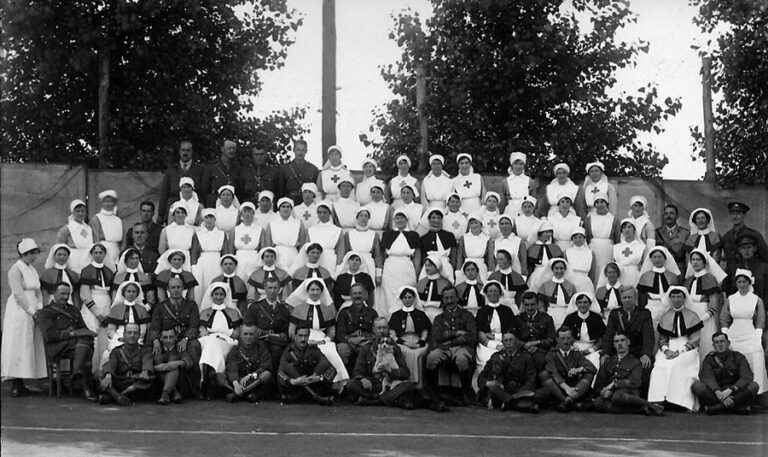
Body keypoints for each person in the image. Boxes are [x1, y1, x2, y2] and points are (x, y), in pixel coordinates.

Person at [347, 317, 437, 410]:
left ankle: (375, 400)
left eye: (384, 328)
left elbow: (405, 373)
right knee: (351, 384)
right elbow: (357, 371)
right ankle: (386, 399)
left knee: (409, 386)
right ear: (373, 330)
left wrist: (390, 370)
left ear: (388, 329)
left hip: (391, 386)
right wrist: (363, 379)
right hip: (372, 385)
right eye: (379, 328)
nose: (382, 331)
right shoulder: (366, 348)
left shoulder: (395, 349)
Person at [1, 239, 48, 396]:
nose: (34, 256)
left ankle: (24, 381)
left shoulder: (33, 270)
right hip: (19, 311)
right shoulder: (15, 270)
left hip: (34, 308)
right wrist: (31, 310)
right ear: (24, 254)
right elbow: (18, 294)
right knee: (19, 344)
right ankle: (16, 383)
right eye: (32, 254)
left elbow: (38, 291)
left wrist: (39, 309)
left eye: (35, 253)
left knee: (30, 344)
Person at [35, 282, 97, 401]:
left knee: (85, 344)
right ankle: (85, 388)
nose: (65, 297)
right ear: (54, 294)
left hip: (75, 346)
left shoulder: (73, 310)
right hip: (58, 347)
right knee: (86, 346)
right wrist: (71, 334)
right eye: (62, 293)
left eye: (68, 294)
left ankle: (77, 372)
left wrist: (88, 333)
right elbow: (49, 335)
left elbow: (82, 327)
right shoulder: (46, 312)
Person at [647, 287, 702, 411]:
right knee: (659, 366)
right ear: (670, 298)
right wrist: (666, 350)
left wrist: (680, 351)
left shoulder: (692, 316)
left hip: (687, 348)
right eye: (674, 297)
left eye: (679, 297)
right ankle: (658, 399)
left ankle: (681, 402)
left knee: (678, 366)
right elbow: (662, 338)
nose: (676, 299)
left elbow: (695, 338)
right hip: (668, 347)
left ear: (684, 298)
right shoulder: (666, 316)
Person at [286, 279, 350, 387]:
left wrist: (324, 341)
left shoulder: (327, 310)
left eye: (318, 290)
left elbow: (331, 331)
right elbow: (292, 331)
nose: (315, 292)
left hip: (322, 339)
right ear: (307, 291)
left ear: (321, 291)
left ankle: (336, 383)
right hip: (304, 338)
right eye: (312, 290)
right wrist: (301, 340)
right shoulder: (298, 309)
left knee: (331, 352)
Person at [148, 277, 202, 399]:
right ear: (168, 289)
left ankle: (195, 389)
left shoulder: (191, 305)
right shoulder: (160, 307)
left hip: (185, 340)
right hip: (166, 340)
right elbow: (155, 326)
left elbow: (194, 325)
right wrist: (156, 340)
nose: (176, 290)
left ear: (183, 289)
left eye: (179, 287)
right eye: (173, 287)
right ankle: (166, 390)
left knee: (194, 347)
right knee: (155, 353)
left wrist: (186, 339)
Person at [426, 286, 477, 404]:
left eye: (452, 297)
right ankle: (433, 393)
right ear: (443, 300)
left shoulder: (467, 316)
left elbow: (472, 337)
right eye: (446, 298)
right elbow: (436, 336)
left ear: (457, 298)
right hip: (443, 348)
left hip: (462, 347)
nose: (449, 301)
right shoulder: (439, 318)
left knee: (462, 359)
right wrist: (456, 333)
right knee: (431, 358)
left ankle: (466, 392)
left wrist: (451, 341)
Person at [593, 331, 664, 416]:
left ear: (628, 342)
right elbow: (598, 385)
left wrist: (615, 384)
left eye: (622, 340)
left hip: (628, 393)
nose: (620, 344)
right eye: (616, 341)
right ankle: (640, 409)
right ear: (614, 345)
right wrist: (602, 392)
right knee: (598, 402)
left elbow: (635, 382)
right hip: (611, 394)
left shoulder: (636, 362)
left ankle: (649, 405)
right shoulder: (608, 362)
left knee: (617, 396)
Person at [720, 269, 767, 394]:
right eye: (739, 282)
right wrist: (725, 333)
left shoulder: (756, 299)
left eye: (744, 282)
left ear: (749, 283)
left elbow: (760, 318)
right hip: (734, 332)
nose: (741, 284)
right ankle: (733, 389)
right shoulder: (731, 298)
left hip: (750, 332)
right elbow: (724, 317)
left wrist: (758, 334)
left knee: (756, 355)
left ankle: (755, 390)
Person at [603, 286, 654, 395]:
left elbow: (648, 336)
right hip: (619, 352)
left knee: (646, 366)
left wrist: (646, 354)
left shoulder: (644, 314)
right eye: (624, 297)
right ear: (620, 299)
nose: (627, 300)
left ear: (635, 298)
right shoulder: (615, 314)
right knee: (605, 363)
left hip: (638, 352)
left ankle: (640, 396)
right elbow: (608, 336)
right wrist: (606, 353)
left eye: (630, 297)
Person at [692, 332, 760, 415]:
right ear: (713, 346)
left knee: (754, 386)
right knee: (697, 386)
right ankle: (736, 408)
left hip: (735, 393)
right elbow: (707, 377)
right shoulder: (709, 359)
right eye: (716, 342)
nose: (720, 345)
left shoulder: (738, 357)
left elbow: (746, 376)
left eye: (722, 341)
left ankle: (717, 408)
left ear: (728, 343)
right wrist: (718, 393)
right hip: (716, 394)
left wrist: (731, 390)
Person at [198, 282, 243, 400]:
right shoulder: (204, 312)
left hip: (227, 341)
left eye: (221, 294)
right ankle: (210, 383)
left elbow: (237, 331)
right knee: (211, 344)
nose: (218, 297)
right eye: (216, 294)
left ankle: (207, 384)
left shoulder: (233, 312)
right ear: (211, 295)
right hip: (208, 340)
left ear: (225, 296)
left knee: (212, 346)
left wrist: (230, 333)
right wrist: (208, 333)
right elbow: (202, 328)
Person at [476, 332, 540, 413]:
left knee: (541, 393)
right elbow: (481, 377)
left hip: (521, 390)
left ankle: (509, 404)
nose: (509, 343)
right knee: (493, 389)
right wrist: (486, 383)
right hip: (503, 391)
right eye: (506, 340)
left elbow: (531, 378)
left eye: (511, 340)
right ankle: (519, 404)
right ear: (502, 343)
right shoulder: (495, 357)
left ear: (516, 342)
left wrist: (522, 392)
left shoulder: (526, 357)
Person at [538, 326, 597, 412]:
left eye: (568, 338)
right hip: (558, 390)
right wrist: (567, 389)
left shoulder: (576, 354)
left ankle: (567, 402)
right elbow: (554, 373)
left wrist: (579, 369)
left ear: (573, 339)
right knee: (543, 374)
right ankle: (569, 401)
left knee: (589, 374)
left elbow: (592, 368)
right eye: (562, 338)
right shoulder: (551, 355)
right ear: (557, 339)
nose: (566, 341)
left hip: (574, 387)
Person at [242, 277, 292, 375]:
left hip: (276, 344)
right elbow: (248, 326)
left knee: (277, 351)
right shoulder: (255, 307)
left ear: (279, 290)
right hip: (257, 342)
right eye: (270, 288)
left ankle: (273, 379)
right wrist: (265, 333)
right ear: (265, 289)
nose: (272, 291)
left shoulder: (284, 310)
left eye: (275, 288)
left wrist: (280, 336)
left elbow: (286, 332)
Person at [377, 209, 422, 318]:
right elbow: (382, 256)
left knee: (406, 292)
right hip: (390, 268)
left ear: (407, 220)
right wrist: (380, 272)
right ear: (394, 220)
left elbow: (417, 257)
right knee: (388, 295)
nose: (400, 220)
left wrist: (416, 274)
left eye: (402, 218)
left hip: (406, 267)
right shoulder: (387, 234)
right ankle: (388, 319)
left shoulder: (413, 235)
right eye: (397, 218)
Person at [78, 243, 115, 372]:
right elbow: (85, 295)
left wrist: (109, 312)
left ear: (105, 254)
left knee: (105, 340)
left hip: (107, 304)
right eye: (96, 252)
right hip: (92, 308)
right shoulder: (86, 270)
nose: (98, 255)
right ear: (92, 254)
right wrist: (98, 314)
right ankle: (90, 372)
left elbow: (112, 293)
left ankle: (103, 370)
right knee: (92, 338)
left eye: (101, 252)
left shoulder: (109, 271)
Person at [277, 325, 336, 406]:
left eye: (306, 336)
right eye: (300, 336)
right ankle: (314, 397)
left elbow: (331, 369)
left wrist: (318, 377)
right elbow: (280, 373)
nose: (303, 339)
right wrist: (293, 381)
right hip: (296, 386)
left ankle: (310, 396)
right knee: (288, 368)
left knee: (324, 364)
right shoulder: (288, 351)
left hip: (312, 383)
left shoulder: (313, 350)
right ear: (295, 337)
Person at [98, 323, 154, 406]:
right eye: (129, 332)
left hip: (135, 384)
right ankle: (119, 396)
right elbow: (111, 363)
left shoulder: (144, 350)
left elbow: (147, 361)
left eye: (135, 333)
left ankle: (115, 396)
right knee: (99, 374)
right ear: (124, 334)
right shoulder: (116, 351)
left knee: (149, 380)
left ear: (139, 335)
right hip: (120, 381)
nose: (132, 335)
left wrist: (145, 371)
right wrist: (108, 376)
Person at [684, 249, 725, 357]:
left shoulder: (710, 279)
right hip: (690, 317)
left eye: (698, 259)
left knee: (705, 344)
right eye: (693, 259)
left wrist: (702, 318)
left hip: (704, 318)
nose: (695, 262)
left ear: (704, 262)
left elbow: (714, 305)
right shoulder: (689, 280)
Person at [475, 281, 518, 379]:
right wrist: (494, 345)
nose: (493, 294)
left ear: (500, 293)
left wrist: (497, 337)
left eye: (495, 291)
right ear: (486, 293)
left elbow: (513, 330)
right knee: (486, 359)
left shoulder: (507, 310)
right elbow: (480, 332)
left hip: (506, 341)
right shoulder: (482, 311)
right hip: (487, 344)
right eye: (490, 291)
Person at [389, 287, 431, 385]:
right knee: (407, 352)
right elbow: (392, 334)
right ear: (401, 299)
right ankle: (407, 383)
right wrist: (404, 342)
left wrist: (420, 343)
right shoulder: (396, 315)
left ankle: (419, 385)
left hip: (418, 341)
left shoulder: (420, 314)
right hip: (401, 341)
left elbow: (425, 331)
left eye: (410, 297)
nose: (408, 300)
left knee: (418, 353)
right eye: (405, 297)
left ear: (414, 298)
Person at [158, 140, 208, 223]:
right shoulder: (171, 170)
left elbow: (203, 192)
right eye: (183, 150)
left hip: (193, 209)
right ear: (179, 151)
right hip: (174, 209)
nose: (185, 153)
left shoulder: (200, 170)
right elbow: (164, 193)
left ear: (191, 152)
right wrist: (161, 214)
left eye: (188, 150)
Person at [223, 323, 274, 402]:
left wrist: (250, 376)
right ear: (240, 335)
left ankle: (239, 394)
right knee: (219, 376)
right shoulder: (235, 350)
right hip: (239, 381)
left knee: (267, 375)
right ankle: (246, 394)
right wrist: (236, 384)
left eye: (251, 334)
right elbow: (231, 368)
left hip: (254, 381)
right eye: (245, 334)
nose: (248, 337)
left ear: (256, 335)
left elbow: (266, 366)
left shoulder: (261, 348)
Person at [104, 282, 151, 361]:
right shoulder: (116, 308)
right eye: (128, 291)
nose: (131, 294)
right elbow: (111, 329)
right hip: (119, 336)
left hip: (136, 336)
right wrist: (117, 337)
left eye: (133, 291)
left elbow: (143, 329)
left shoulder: (142, 309)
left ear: (137, 293)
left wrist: (135, 337)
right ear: (123, 293)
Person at [152, 326, 199, 404]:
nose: (168, 340)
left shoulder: (180, 347)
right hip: (159, 386)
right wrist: (160, 368)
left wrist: (176, 363)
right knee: (159, 359)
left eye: (171, 337)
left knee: (174, 363)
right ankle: (172, 392)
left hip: (180, 384)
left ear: (176, 338)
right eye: (165, 337)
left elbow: (189, 363)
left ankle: (167, 394)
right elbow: (148, 364)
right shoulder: (156, 349)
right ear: (160, 338)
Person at [336, 284, 378, 369]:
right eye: (354, 293)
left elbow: (377, 331)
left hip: (368, 342)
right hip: (351, 344)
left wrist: (365, 340)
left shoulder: (372, 312)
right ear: (351, 296)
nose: (357, 296)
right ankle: (346, 378)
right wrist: (351, 340)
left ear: (365, 295)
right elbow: (340, 334)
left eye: (360, 293)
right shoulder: (344, 312)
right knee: (342, 349)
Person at [637, 246, 681, 326]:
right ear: (651, 259)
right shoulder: (645, 276)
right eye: (655, 257)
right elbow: (641, 297)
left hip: (668, 307)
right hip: (651, 307)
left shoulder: (672, 276)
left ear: (665, 258)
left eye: (660, 257)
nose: (657, 259)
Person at [190, 209, 227, 304]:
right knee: (202, 287)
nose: (208, 220)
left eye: (211, 217)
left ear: (215, 219)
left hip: (217, 262)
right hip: (203, 263)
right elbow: (194, 252)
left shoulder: (221, 234)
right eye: (206, 217)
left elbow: (225, 252)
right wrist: (194, 266)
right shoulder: (199, 234)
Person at [562, 292, 605, 371]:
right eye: (580, 302)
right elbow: (564, 336)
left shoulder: (597, 318)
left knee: (594, 364)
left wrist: (591, 350)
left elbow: (602, 338)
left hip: (593, 348)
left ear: (589, 304)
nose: (582, 305)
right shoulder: (570, 318)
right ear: (576, 304)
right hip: (574, 347)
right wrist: (573, 348)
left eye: (585, 302)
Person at [341, 208, 383, 290]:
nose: (363, 218)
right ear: (357, 218)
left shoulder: (374, 234)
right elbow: (345, 253)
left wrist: (378, 274)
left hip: (369, 265)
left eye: (366, 216)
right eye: (361, 215)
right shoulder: (349, 234)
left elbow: (378, 255)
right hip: (353, 264)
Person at [514, 291, 556, 372]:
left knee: (541, 361)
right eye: (527, 305)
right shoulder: (518, 319)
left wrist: (536, 343)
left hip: (541, 351)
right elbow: (514, 337)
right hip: (522, 350)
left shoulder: (546, 319)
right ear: (523, 305)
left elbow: (551, 339)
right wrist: (525, 345)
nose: (530, 308)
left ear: (537, 304)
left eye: (532, 304)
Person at [721, 201, 768, 271]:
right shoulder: (726, 237)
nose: (735, 216)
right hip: (732, 275)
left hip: (751, 273)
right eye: (732, 214)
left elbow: (765, 258)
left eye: (738, 214)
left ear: (744, 215)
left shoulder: (754, 235)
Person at [265, 197, 307, 273]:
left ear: (291, 209)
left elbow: (302, 244)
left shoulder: (298, 223)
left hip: (293, 255)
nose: (285, 209)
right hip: (277, 255)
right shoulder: (272, 224)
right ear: (279, 209)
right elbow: (268, 245)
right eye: (283, 207)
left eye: (288, 207)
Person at [584, 192, 620, 279]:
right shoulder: (589, 219)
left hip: (608, 251)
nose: (599, 205)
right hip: (593, 250)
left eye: (602, 202)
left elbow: (617, 239)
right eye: (597, 202)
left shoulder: (614, 220)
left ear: (607, 203)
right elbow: (587, 237)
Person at [56, 199, 97, 274]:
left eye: (82, 211)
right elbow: (60, 246)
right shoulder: (66, 228)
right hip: (73, 259)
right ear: (73, 212)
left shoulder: (89, 228)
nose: (80, 213)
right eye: (77, 211)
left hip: (87, 258)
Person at [724, 235, 768, 303]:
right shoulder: (732, 269)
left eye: (749, 247)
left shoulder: (764, 268)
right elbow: (727, 291)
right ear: (739, 250)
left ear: (754, 248)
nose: (746, 250)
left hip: (759, 308)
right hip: (737, 307)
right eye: (743, 248)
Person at [229, 202, 266, 282]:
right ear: (241, 213)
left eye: (249, 211)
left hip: (254, 260)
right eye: (245, 211)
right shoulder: (235, 229)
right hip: (239, 260)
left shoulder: (260, 229)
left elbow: (262, 249)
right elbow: (231, 250)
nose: (247, 214)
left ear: (253, 213)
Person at [536, 258, 577, 329]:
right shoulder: (545, 285)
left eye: (562, 268)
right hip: (551, 313)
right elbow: (540, 303)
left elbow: (574, 303)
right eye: (556, 268)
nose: (559, 271)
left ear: (565, 270)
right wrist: (544, 316)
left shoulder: (571, 285)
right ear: (552, 270)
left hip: (567, 313)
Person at [419, 208, 458, 282]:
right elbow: (423, 257)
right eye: (433, 218)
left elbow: (453, 255)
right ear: (429, 219)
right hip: (429, 266)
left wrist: (452, 267)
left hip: (445, 265)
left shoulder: (449, 235)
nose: (436, 220)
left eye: (438, 218)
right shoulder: (424, 238)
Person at [306, 201, 345, 274]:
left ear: (329, 213)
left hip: (330, 261)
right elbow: (307, 249)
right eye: (320, 212)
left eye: (325, 212)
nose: (322, 215)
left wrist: (338, 266)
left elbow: (340, 251)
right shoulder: (311, 230)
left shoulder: (337, 230)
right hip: (315, 260)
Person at [157, 201, 196, 271]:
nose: (180, 215)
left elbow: (194, 250)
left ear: (186, 215)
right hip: (169, 260)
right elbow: (161, 249)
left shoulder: (192, 230)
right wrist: (172, 260)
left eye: (183, 213)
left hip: (186, 261)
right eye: (177, 212)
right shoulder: (166, 230)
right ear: (173, 214)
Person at [279, 139, 320, 205]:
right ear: (294, 150)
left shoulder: (313, 169)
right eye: (298, 150)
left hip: (307, 203)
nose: (300, 153)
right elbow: (281, 191)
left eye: (303, 150)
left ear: (306, 151)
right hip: (290, 203)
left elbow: (316, 191)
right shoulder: (285, 169)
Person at [526, 221, 563, 292]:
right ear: (540, 233)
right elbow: (529, 266)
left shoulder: (555, 247)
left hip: (551, 274)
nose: (548, 234)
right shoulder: (532, 248)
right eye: (545, 232)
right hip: (537, 274)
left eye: (550, 232)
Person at [202, 139, 241, 207]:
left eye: (234, 149)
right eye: (229, 148)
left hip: (232, 204)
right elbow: (204, 188)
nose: (232, 150)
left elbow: (240, 189)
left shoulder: (237, 167)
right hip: (214, 203)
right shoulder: (212, 166)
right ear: (222, 149)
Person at [654, 204, 691, 276]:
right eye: (666, 213)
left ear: (677, 216)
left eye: (671, 213)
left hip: (679, 269)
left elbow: (688, 255)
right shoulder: (656, 233)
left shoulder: (685, 233)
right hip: (662, 268)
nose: (668, 216)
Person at [40, 244, 80, 308]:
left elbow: (75, 294)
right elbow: (45, 294)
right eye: (59, 254)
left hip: (69, 305)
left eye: (64, 255)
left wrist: (77, 309)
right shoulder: (47, 274)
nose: (62, 257)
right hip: (52, 306)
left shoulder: (73, 274)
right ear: (54, 256)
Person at [456, 214, 492, 284]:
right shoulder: (463, 238)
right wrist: (458, 270)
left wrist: (490, 272)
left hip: (481, 267)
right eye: (471, 223)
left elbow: (490, 258)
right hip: (466, 266)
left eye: (476, 222)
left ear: (481, 224)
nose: (474, 225)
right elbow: (459, 256)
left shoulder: (487, 238)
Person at [90, 190, 123, 265]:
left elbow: (122, 240)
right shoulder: (96, 218)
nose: (108, 204)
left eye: (110, 201)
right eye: (106, 201)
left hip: (116, 251)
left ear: (114, 203)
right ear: (101, 203)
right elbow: (95, 239)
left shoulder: (118, 220)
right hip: (102, 252)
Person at [417, 255, 454, 322]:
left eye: (430, 266)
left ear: (437, 267)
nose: (427, 268)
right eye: (426, 265)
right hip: (423, 312)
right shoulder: (421, 282)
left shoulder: (446, 283)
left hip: (439, 313)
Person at [612, 219, 646, 288]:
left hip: (634, 276)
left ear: (634, 230)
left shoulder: (642, 247)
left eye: (629, 227)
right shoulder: (616, 247)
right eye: (624, 228)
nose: (627, 230)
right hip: (619, 276)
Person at [501, 152, 533, 218]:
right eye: (515, 164)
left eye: (521, 164)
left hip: (526, 212)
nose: (518, 166)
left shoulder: (530, 181)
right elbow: (502, 201)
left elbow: (534, 199)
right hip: (510, 212)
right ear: (512, 165)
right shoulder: (506, 181)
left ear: (524, 165)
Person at [564, 227, 596, 294]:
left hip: (585, 282)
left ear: (584, 239)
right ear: (572, 239)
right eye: (575, 237)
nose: (577, 240)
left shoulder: (590, 252)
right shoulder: (566, 252)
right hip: (571, 281)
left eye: (580, 237)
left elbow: (592, 272)